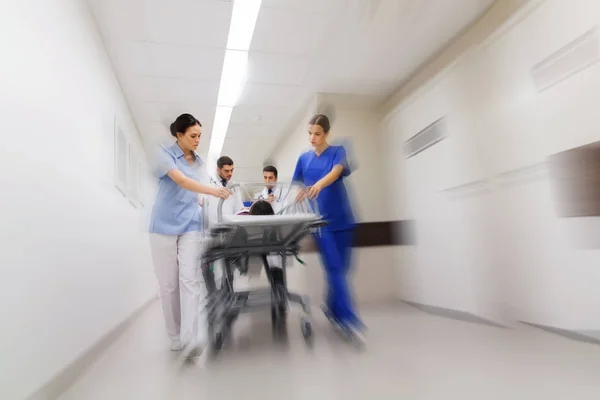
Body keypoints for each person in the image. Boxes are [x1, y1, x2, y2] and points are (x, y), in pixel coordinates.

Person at [149, 113, 231, 356]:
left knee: (190, 280)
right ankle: (175, 336)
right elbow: (182, 181)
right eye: (193, 136)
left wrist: (206, 200)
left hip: (190, 224)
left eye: (200, 136)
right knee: (169, 285)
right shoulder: (164, 154)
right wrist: (213, 191)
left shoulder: (201, 161)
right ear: (179, 135)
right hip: (163, 225)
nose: (197, 140)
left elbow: (197, 192)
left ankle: (191, 336)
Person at [292, 113, 364, 338]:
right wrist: (299, 195)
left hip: (344, 219)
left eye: (317, 134)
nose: (312, 138)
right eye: (310, 133)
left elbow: (336, 172)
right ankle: (347, 318)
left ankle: (332, 309)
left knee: (342, 271)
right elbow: (298, 185)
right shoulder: (304, 159)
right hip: (321, 224)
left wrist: (318, 185)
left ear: (327, 133)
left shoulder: (338, 151)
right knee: (334, 268)